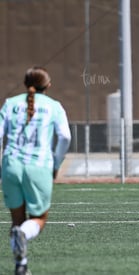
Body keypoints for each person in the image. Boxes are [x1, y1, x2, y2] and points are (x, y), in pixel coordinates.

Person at [0, 66, 71, 275]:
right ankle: (23, 238)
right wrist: (56, 164)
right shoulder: (54, 106)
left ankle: (21, 265)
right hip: (39, 166)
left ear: (25, 83)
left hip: (11, 165)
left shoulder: (10, 104)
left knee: (17, 220)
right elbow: (65, 137)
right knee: (38, 218)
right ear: (48, 85)